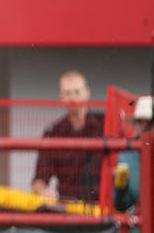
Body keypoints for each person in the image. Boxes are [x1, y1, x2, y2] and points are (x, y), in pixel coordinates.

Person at [32, 70, 105, 202]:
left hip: (103, 207)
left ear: (87, 93)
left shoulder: (105, 124)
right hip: (69, 208)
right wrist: (43, 191)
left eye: (77, 92)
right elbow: (40, 178)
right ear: (61, 97)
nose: (73, 98)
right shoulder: (53, 132)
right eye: (67, 93)